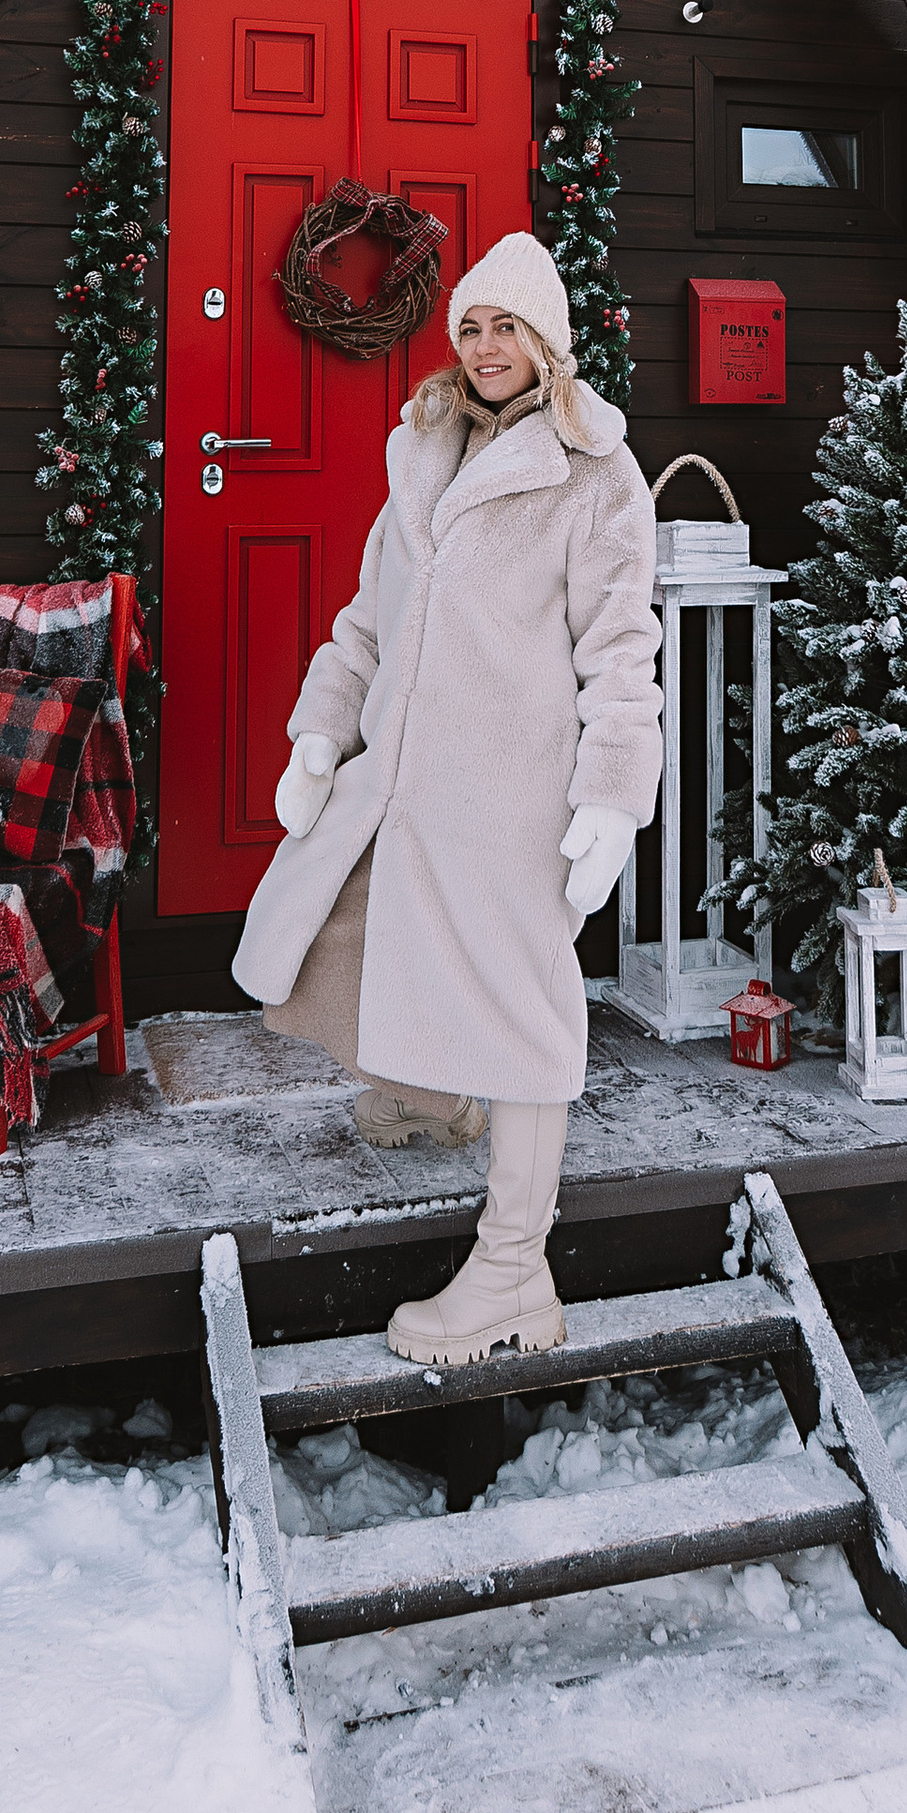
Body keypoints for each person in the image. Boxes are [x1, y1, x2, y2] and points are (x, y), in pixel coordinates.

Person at [232, 230, 662, 1363]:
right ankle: (434, 1090)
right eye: (468, 326)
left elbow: (622, 650)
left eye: (505, 326)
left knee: (527, 1017)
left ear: (546, 344)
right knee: (349, 923)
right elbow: (368, 619)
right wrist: (319, 735)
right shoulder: (421, 452)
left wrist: (613, 797)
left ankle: (514, 1272)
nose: (482, 346)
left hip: (514, 792)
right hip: (407, 778)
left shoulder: (595, 473)